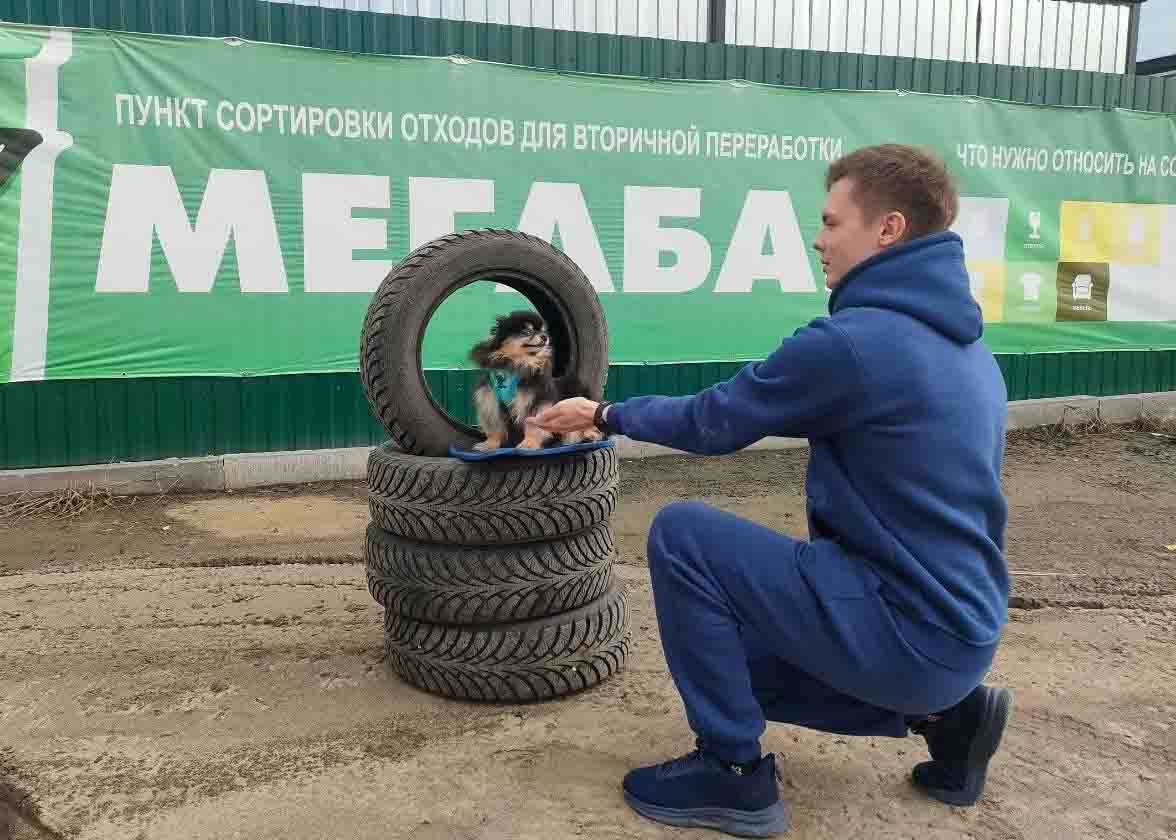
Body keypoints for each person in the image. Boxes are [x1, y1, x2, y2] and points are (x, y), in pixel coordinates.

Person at [530, 143, 1013, 837]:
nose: (818, 239)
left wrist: (605, 414)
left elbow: (717, 419)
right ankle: (951, 716)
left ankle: (733, 775)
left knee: (683, 534)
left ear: (889, 230)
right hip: (961, 637)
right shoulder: (968, 348)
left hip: (905, 630)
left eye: (832, 222)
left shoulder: (857, 344)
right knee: (725, 661)